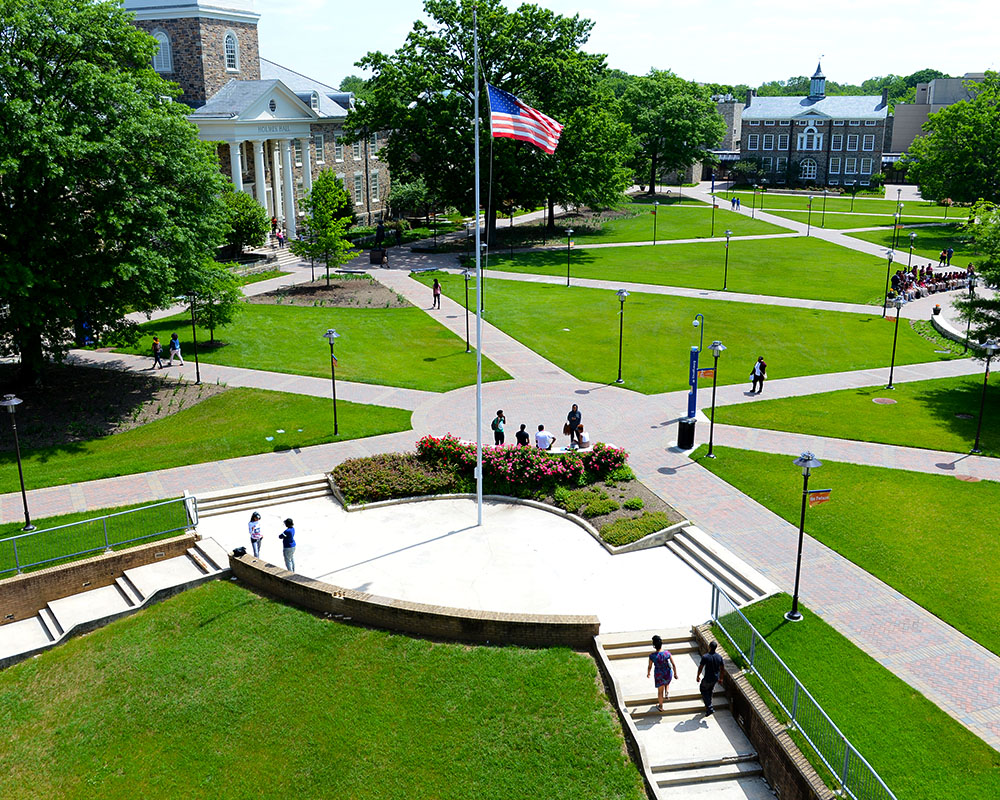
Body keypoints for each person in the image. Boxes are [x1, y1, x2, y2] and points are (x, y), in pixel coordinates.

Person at [647, 635, 678, 712]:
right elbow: (673, 664)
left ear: (654, 645)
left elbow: (649, 666)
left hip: (658, 675)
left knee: (660, 691)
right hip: (667, 673)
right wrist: (675, 673)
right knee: (667, 682)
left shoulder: (652, 656)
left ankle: (661, 706)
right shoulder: (667, 653)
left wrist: (648, 673)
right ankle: (667, 692)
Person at [696, 641, 725, 716]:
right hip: (715, 678)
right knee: (710, 690)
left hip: (707, 678)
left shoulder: (705, 657)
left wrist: (698, 676)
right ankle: (709, 708)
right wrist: (721, 678)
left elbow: (700, 667)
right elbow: (722, 668)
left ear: (709, 647)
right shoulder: (719, 657)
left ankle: (709, 707)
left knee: (703, 689)